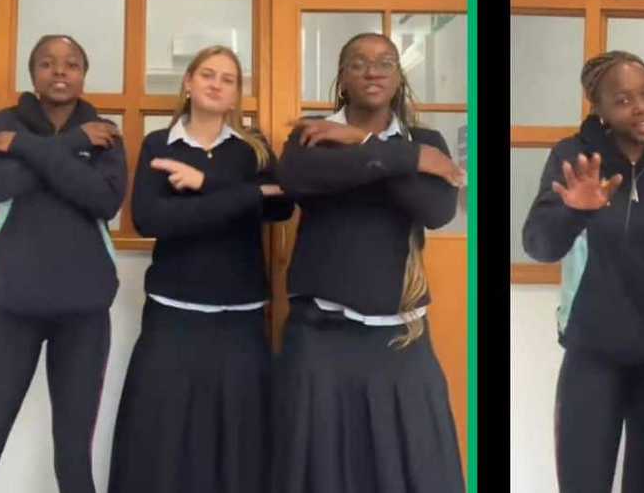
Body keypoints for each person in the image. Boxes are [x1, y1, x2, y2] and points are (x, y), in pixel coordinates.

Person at [272, 32, 466, 492]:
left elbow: (435, 210)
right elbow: (297, 178)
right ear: (342, 77)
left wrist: (359, 140)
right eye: (358, 62)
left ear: (398, 77)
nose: (373, 70)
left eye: (385, 62)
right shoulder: (312, 135)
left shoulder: (426, 138)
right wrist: (410, 159)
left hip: (401, 339)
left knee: (413, 471)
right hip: (322, 336)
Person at [523, 50, 644, 493]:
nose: (642, 108)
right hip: (593, 351)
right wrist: (574, 211)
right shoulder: (573, 157)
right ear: (599, 109)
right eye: (624, 100)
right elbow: (538, 244)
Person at [107, 45, 293, 493]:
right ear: (187, 83)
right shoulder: (158, 143)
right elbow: (151, 220)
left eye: (227, 79)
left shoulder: (255, 147)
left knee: (239, 446)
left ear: (235, 95)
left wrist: (203, 186)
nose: (216, 83)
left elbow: (283, 204)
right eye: (207, 74)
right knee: (161, 445)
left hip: (241, 322)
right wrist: (245, 198)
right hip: (173, 319)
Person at [0, 34, 127, 493]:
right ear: (33, 74)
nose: (59, 71)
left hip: (84, 315)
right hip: (13, 308)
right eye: (48, 63)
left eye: (71, 63)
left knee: (73, 463)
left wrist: (26, 149)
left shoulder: (105, 133)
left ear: (83, 74)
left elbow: (103, 199)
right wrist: (72, 146)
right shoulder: (5, 121)